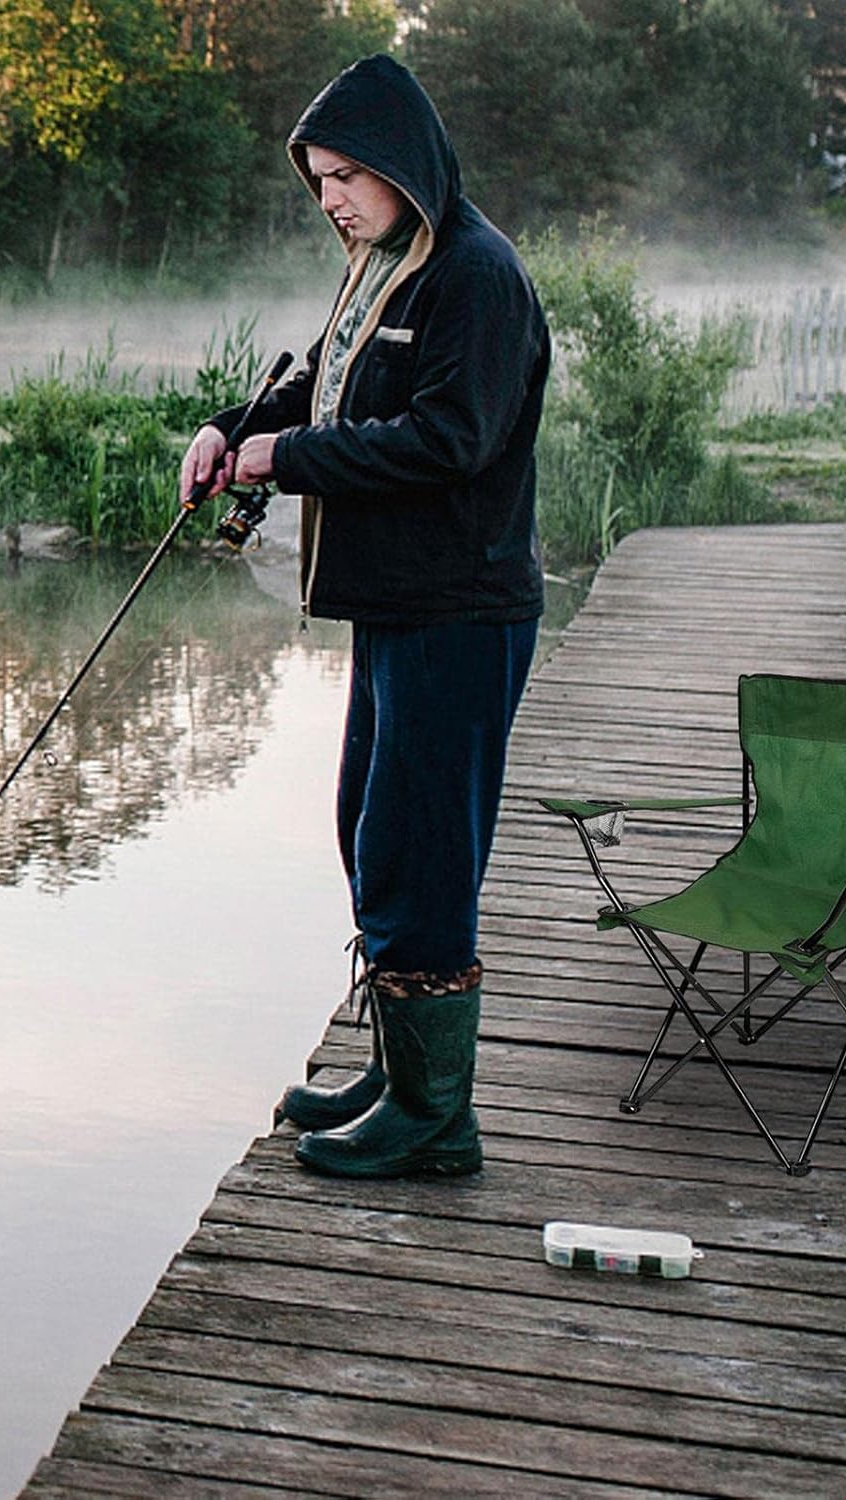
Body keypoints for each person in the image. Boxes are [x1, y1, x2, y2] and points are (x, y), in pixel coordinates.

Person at [180, 54, 549, 1179]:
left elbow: (450, 438)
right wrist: (228, 427)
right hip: (396, 607)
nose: (332, 197)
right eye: (320, 178)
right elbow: (332, 389)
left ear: (405, 166)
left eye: (348, 175)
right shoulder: (384, 265)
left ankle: (439, 1121)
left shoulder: (475, 277)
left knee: (421, 851)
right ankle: (398, 1076)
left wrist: (281, 458)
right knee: (370, 829)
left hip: (460, 609)